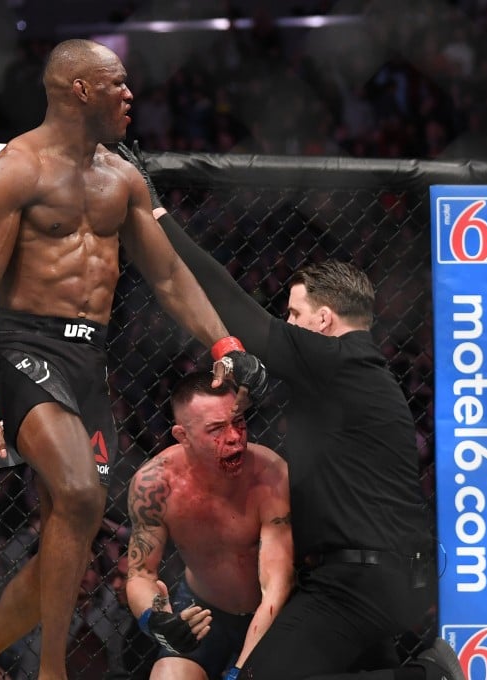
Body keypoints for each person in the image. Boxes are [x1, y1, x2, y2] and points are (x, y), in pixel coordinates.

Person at [0, 38, 266, 680]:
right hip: (25, 347)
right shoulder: (13, 171)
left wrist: (224, 344)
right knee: (81, 493)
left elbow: (167, 275)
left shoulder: (122, 177)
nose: (130, 95)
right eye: (117, 83)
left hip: (89, 360)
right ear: (80, 89)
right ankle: (52, 673)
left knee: (69, 538)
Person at [116, 141, 464, 680]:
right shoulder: (354, 377)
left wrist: (157, 212)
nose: (288, 325)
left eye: (294, 315)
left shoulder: (340, 360)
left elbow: (235, 307)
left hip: (357, 581)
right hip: (376, 574)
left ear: (324, 320)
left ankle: (427, 679)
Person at [125, 371, 294, 680]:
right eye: (216, 428)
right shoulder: (155, 484)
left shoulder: (269, 475)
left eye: (238, 422)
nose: (234, 437)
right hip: (204, 611)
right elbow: (141, 574)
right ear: (183, 436)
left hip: (276, 614)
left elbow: (276, 586)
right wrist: (156, 621)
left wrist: (240, 672)